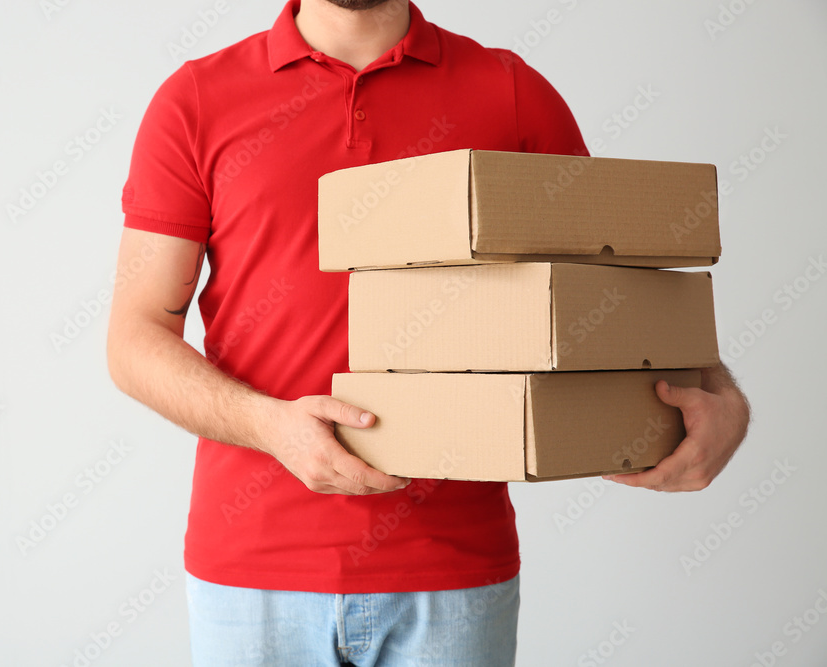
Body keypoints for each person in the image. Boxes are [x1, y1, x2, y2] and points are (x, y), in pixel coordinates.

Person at [106, 0, 752, 664]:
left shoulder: (510, 93)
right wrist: (270, 424)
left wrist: (719, 395)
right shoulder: (196, 99)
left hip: (453, 573)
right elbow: (135, 336)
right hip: (251, 574)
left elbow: (609, 289)